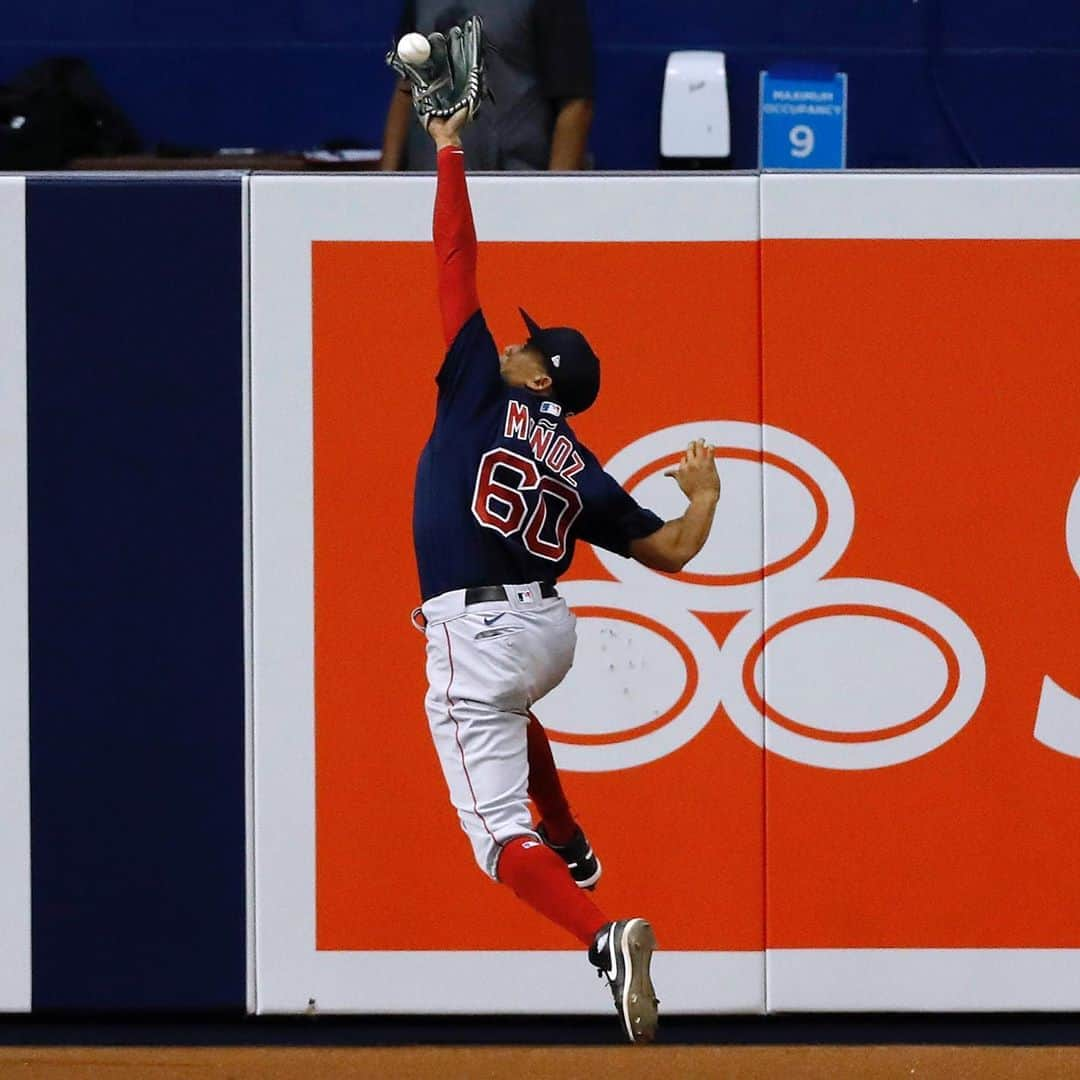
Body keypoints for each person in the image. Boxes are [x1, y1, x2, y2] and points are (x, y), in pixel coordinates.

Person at [411, 103, 722, 1044]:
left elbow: (455, 259)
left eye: (525, 347)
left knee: (496, 840)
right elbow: (669, 550)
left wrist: (451, 148)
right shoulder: (581, 465)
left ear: (540, 378)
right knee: (510, 710)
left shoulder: (478, 390)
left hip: (480, 628)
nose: (508, 344)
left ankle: (603, 938)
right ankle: (575, 837)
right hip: (550, 631)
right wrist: (704, 496)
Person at [381, 1, 594, 171]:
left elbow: (575, 104)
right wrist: (386, 181)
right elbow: (406, 86)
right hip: (428, 179)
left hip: (513, 185)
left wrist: (555, 195)